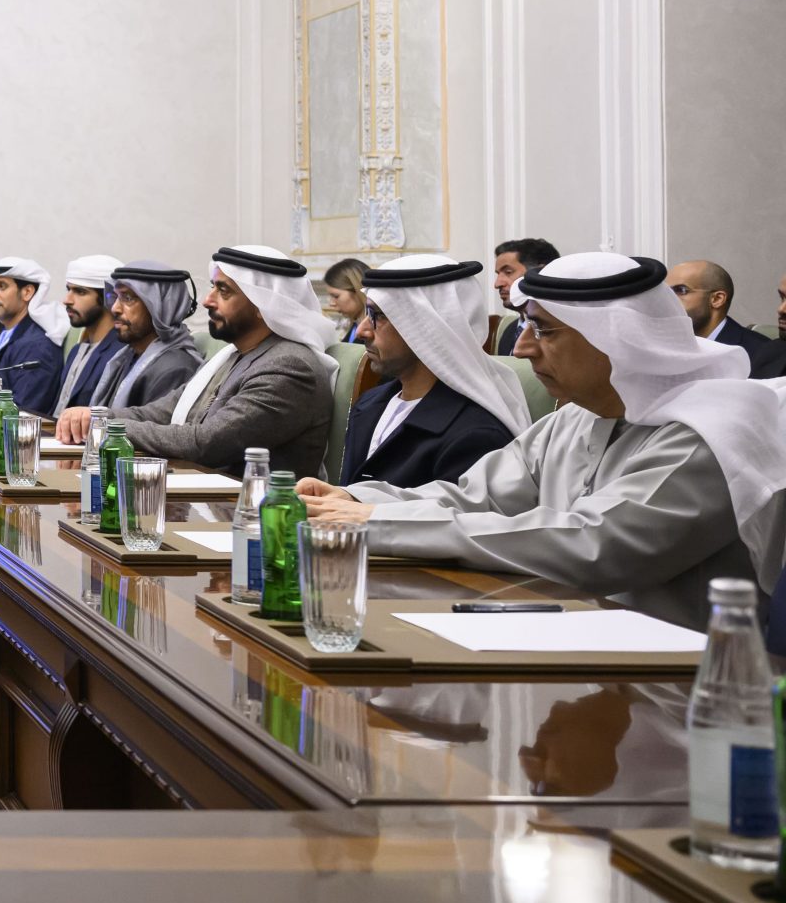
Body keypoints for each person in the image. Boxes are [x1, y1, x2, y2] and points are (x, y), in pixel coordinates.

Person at [300, 253, 786, 629]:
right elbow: (475, 496)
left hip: (679, 689)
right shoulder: (578, 416)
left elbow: (593, 543)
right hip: (574, 648)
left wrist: (377, 523)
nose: (522, 347)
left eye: (544, 330)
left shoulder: (710, 431)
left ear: (614, 338)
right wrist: (351, 502)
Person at [61, 245, 335, 479]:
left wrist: (105, 427)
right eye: (213, 288)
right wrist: (96, 416)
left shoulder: (289, 367)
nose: (207, 301)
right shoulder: (233, 355)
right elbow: (163, 412)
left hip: (252, 512)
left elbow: (206, 443)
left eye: (223, 291)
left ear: (264, 305)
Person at [338, 255, 527, 488]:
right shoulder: (369, 404)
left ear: (429, 326)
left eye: (379, 315)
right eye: (367, 313)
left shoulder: (476, 434)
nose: (362, 331)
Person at [56, 261, 206, 436]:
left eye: (127, 298)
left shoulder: (176, 367)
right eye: (116, 297)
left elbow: (150, 439)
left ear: (160, 307)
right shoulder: (128, 356)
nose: (115, 308)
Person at [0, 256, 67, 414]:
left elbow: (23, 412)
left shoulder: (36, 346)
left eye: (2, 286)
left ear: (27, 292)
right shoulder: (4, 334)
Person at [669, 259, 786, 379]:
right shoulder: (666, 347)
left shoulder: (759, 354)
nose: (668, 300)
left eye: (681, 291)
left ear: (717, 299)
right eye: (666, 292)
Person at [50, 254, 126, 416]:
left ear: (108, 298)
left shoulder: (119, 355)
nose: (67, 300)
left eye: (80, 292)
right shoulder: (76, 351)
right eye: (69, 289)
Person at [490, 237, 559, 353]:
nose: (497, 284)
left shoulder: (560, 330)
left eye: (508, 272)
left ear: (541, 273)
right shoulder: (509, 331)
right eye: (498, 274)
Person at [321, 257, 369, 344]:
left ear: (358, 290)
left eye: (336, 296)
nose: (331, 303)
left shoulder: (373, 333)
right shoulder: (355, 326)